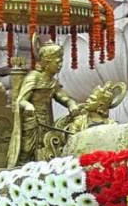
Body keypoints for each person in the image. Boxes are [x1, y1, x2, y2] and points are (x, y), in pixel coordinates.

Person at [7, 36, 80, 167]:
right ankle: (20, 171)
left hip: (46, 120)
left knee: (45, 147)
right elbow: (21, 100)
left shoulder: (53, 82)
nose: (60, 65)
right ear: (46, 62)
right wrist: (28, 105)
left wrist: (71, 104)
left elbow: (63, 97)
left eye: (61, 61)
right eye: (57, 62)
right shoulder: (33, 77)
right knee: (27, 149)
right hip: (31, 120)